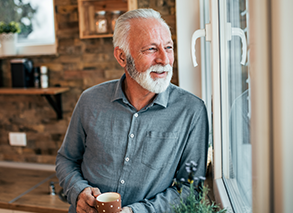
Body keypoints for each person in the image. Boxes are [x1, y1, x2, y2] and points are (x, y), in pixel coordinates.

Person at [55, 8, 209, 213]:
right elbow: (67, 159)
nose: (164, 60)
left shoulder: (192, 110)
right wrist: (78, 192)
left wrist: (136, 212)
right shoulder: (89, 100)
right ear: (121, 57)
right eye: (151, 49)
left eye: (169, 47)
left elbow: (190, 189)